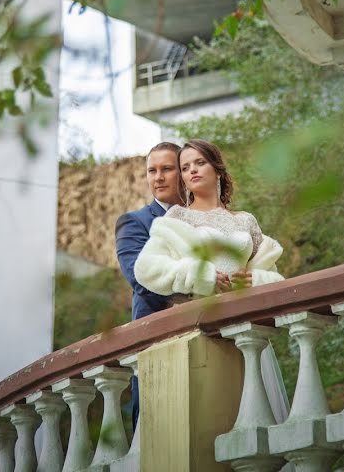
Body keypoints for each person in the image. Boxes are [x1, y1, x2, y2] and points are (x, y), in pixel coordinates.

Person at [134, 139, 291, 426]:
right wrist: (198, 274)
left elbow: (275, 276)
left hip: (244, 326)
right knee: (208, 416)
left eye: (199, 163)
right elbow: (146, 268)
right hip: (199, 322)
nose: (192, 170)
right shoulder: (177, 217)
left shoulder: (246, 221)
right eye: (185, 167)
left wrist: (255, 280)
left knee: (253, 414)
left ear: (217, 169)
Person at [115, 141, 184, 425]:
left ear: (182, 171)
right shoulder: (134, 223)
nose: (158, 177)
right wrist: (201, 290)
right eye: (152, 170)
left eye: (167, 169)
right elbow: (142, 279)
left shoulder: (205, 218)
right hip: (156, 338)